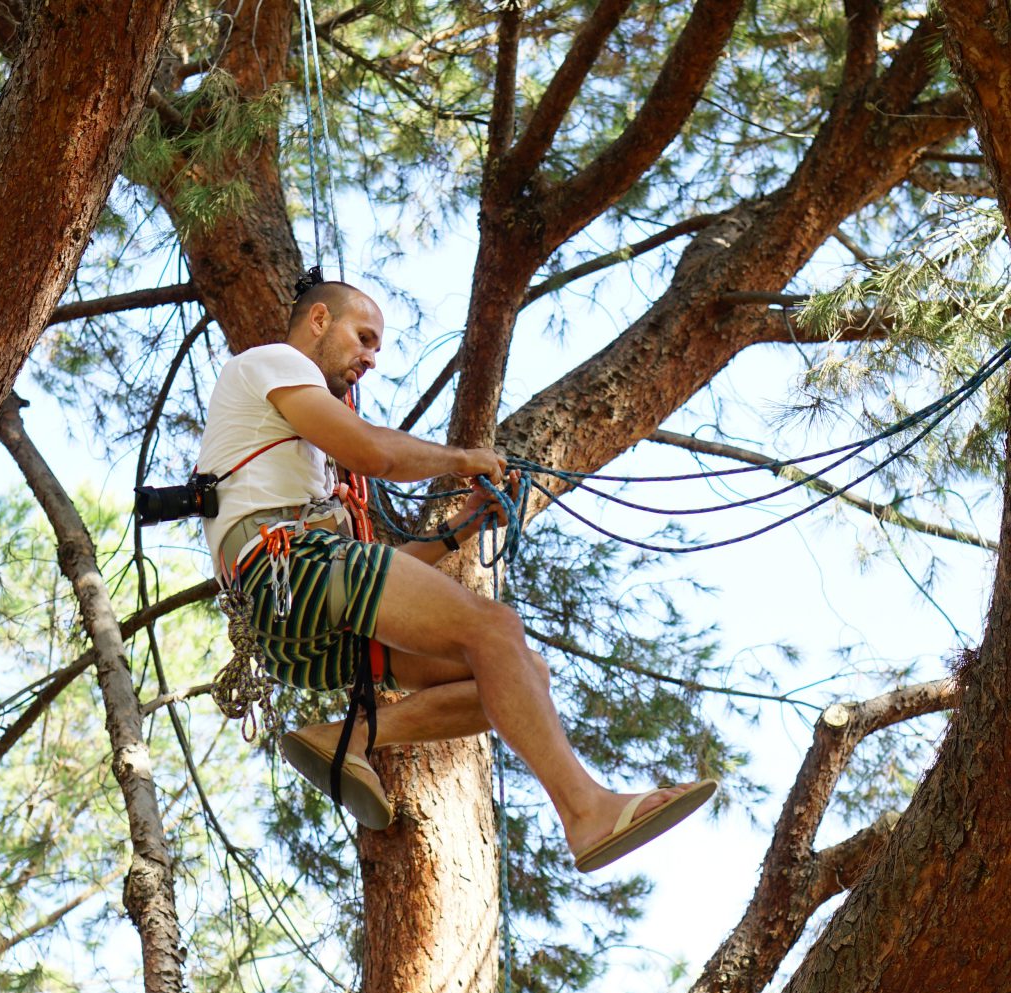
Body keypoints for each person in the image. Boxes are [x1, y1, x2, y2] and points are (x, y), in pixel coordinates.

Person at [197, 277, 716, 872]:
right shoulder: (275, 362)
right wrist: (464, 458)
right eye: (363, 337)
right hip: (290, 574)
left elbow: (374, 582)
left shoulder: (293, 459)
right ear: (318, 320)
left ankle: (346, 739)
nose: (370, 357)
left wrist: (463, 528)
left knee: (519, 669)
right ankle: (586, 810)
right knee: (494, 629)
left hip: (296, 617)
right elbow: (376, 455)